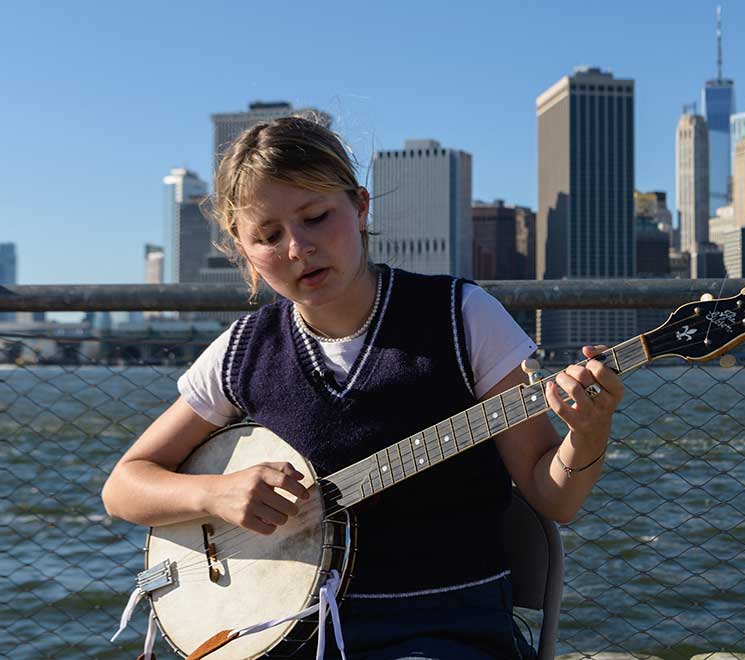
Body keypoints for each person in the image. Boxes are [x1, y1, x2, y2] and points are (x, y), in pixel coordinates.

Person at [101, 115, 624, 660]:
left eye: (316, 217)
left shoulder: (462, 318)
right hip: (287, 637)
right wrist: (216, 494)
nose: (298, 247)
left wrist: (588, 433)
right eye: (269, 235)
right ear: (242, 248)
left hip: (443, 633)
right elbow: (124, 487)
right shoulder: (243, 351)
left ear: (360, 206)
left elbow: (552, 496)